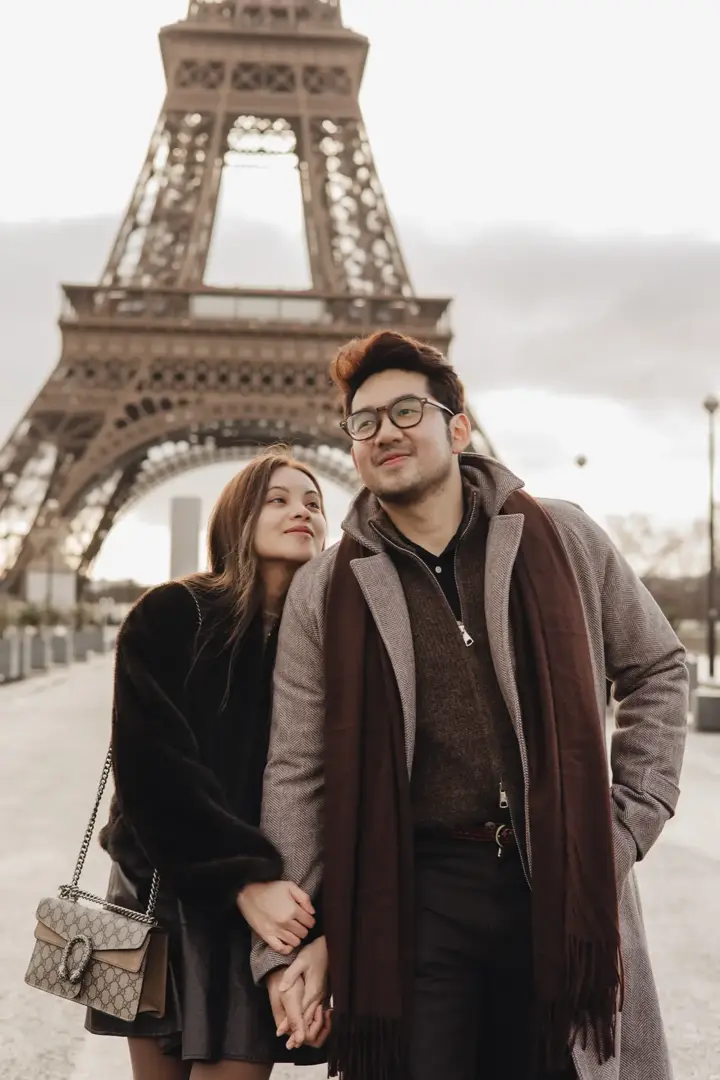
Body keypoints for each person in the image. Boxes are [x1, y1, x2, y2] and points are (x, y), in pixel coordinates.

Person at [250, 333, 689, 1080]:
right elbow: (297, 768)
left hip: (558, 871)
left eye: (406, 411)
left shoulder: (565, 537)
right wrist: (290, 946)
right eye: (364, 422)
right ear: (352, 447)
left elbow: (657, 667)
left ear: (457, 427)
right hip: (414, 892)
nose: (384, 431)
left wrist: (626, 820)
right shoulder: (326, 591)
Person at [88, 447, 331, 1080]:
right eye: (277, 499)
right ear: (237, 519)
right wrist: (243, 880)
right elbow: (152, 771)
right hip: (164, 898)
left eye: (313, 503)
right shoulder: (171, 614)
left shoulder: (336, 642)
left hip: (270, 912)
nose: (300, 511)